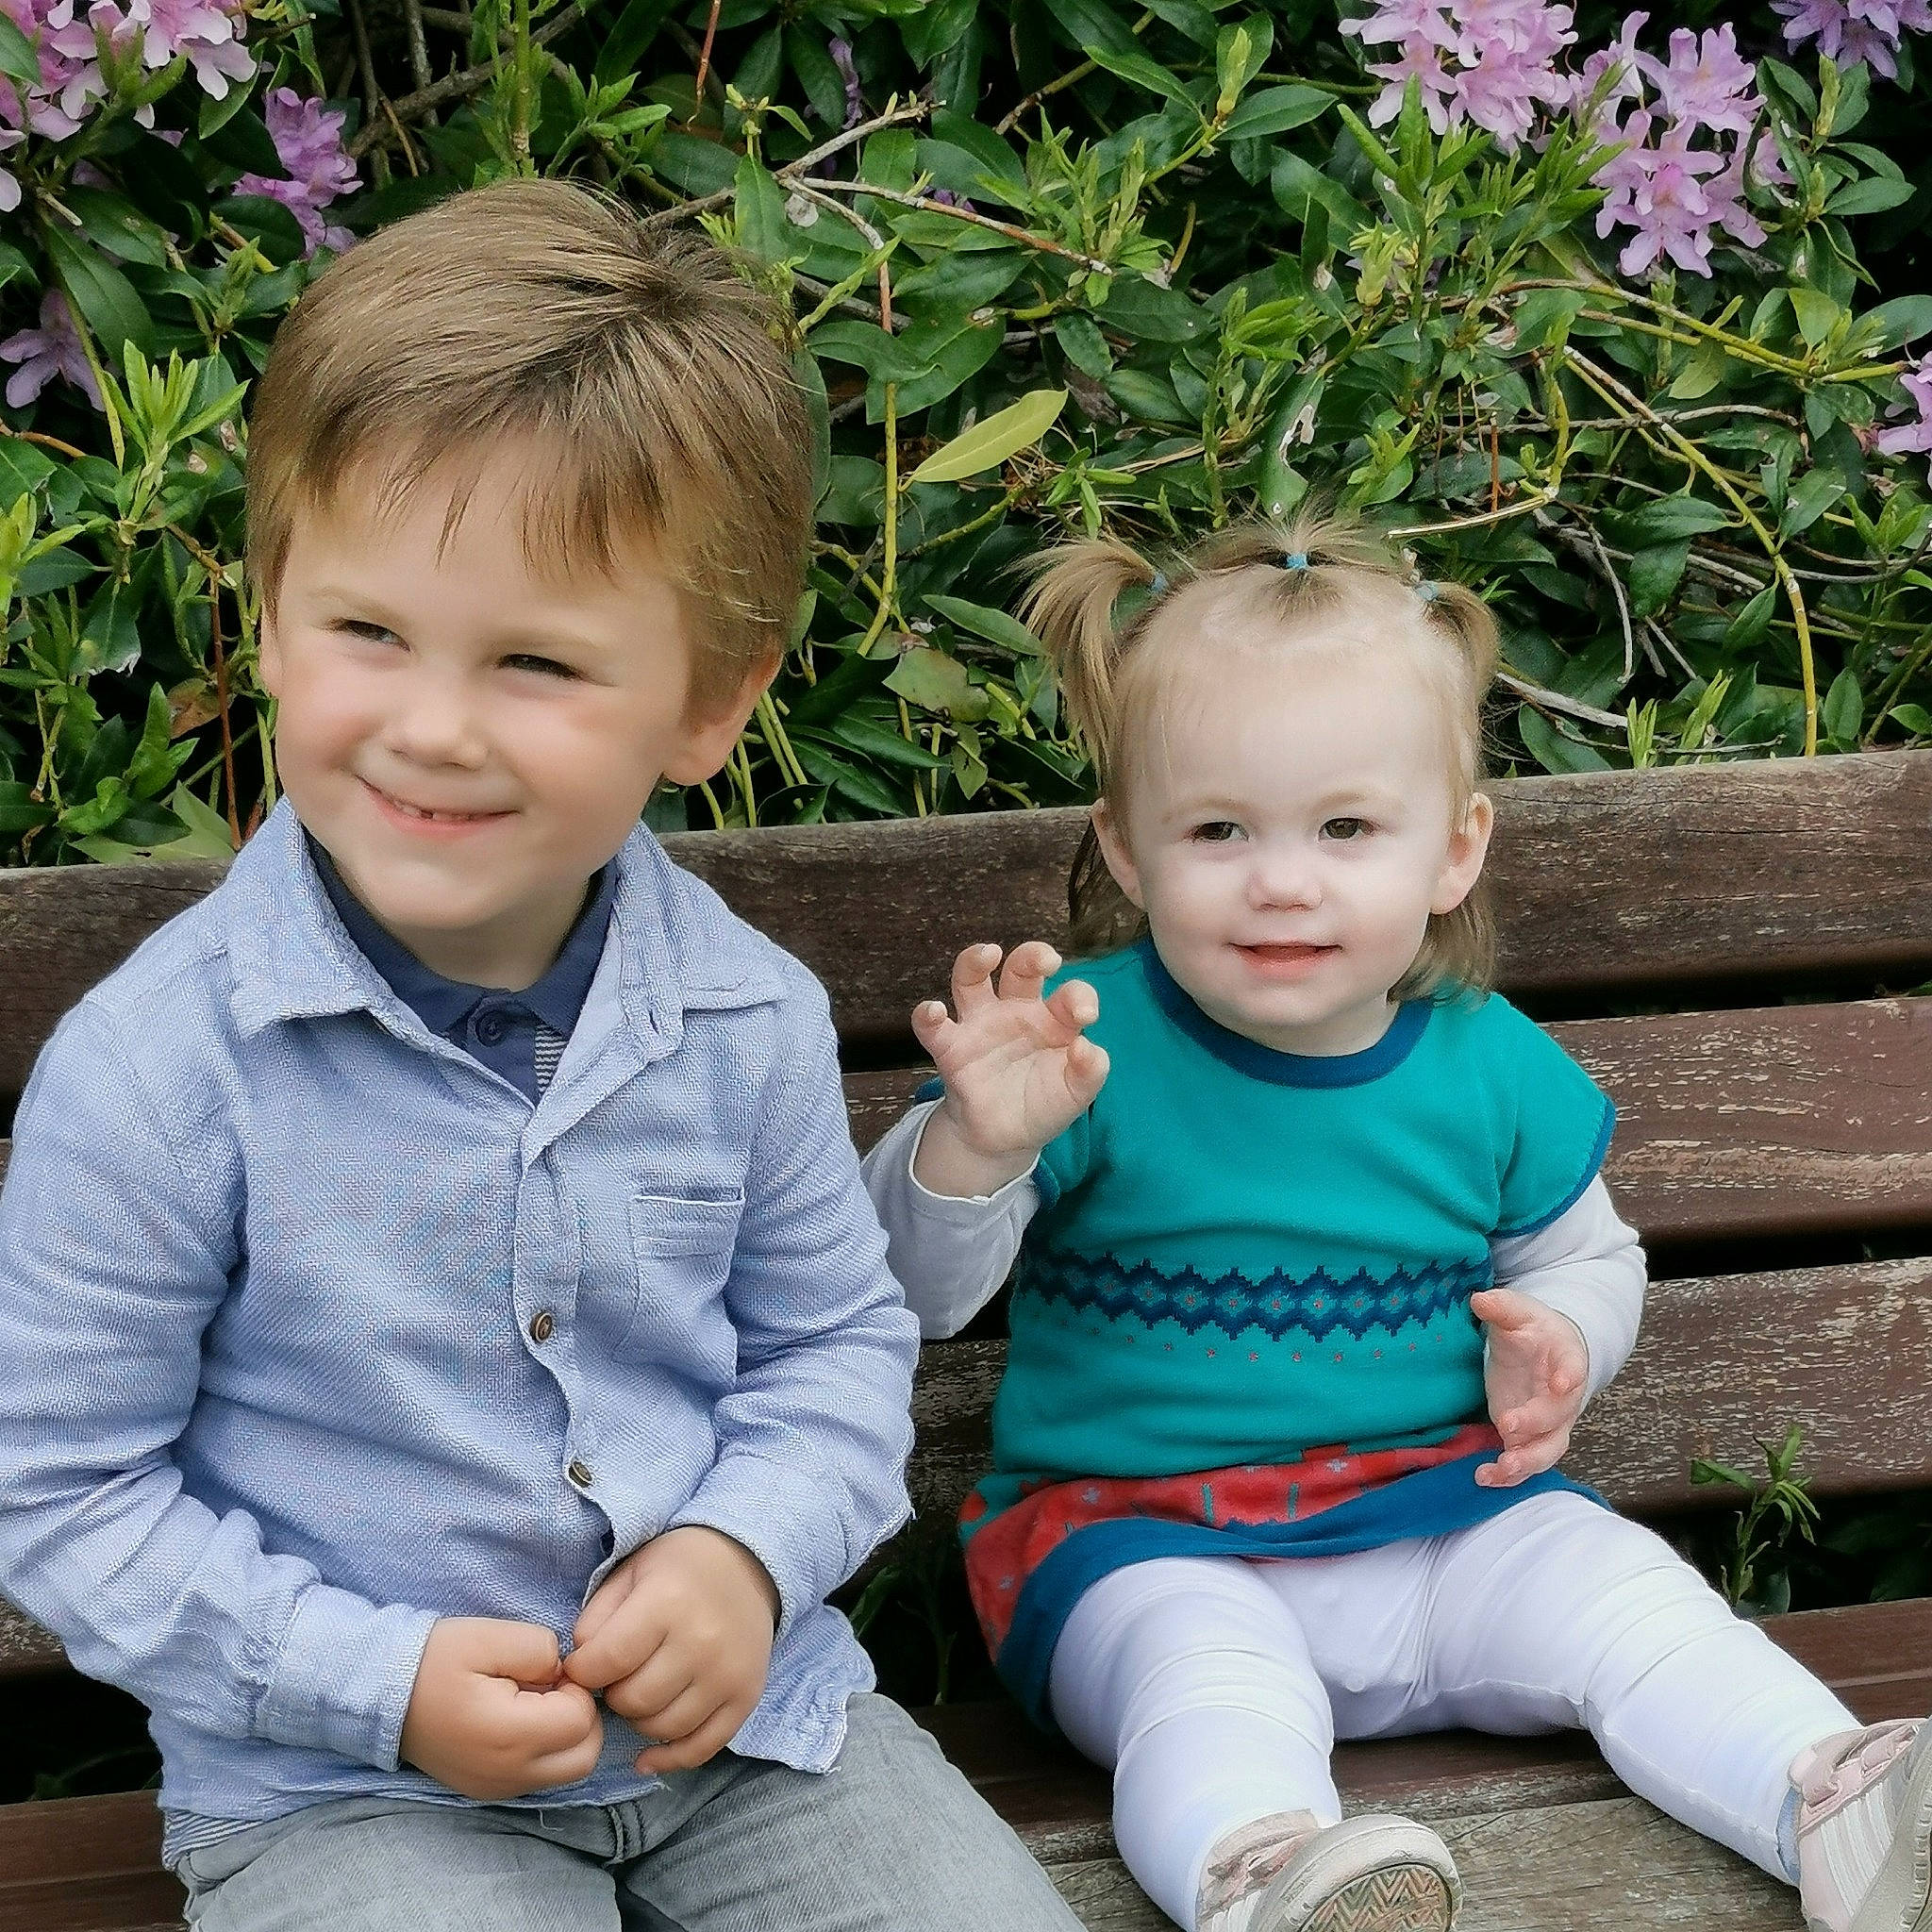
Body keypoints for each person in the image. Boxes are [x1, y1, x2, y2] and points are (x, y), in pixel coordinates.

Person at [0, 179, 1086, 1932]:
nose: (434, 724)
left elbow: (829, 1350)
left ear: (711, 702)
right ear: (272, 614)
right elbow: (64, 1493)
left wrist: (746, 1557)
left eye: (536, 661)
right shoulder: (161, 1071)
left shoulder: (742, 1020)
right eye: (369, 632)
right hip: (344, 1793)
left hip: (755, 1746)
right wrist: (380, 1681)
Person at [860, 514, 1932, 1932]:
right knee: (1209, 1682)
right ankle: (1267, 1875)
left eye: (1347, 827)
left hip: (1444, 1524)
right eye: (1220, 828)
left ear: (1454, 848)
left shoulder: (1489, 1063)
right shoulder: (1079, 1048)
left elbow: (1589, 1258)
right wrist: (973, 1147)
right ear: (1127, 847)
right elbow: (904, 1292)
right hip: (1139, 1547)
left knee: (1627, 1597)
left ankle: (1837, 1804)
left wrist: (1568, 1335)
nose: (1284, 878)